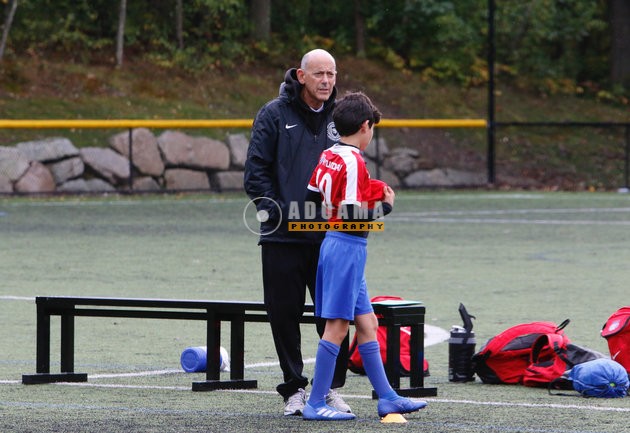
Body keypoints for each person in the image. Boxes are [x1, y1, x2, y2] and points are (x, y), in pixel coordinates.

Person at [302, 91, 428, 421]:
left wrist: (365, 191)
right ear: (365, 126)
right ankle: (315, 402)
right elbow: (351, 214)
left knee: (368, 323)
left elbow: (312, 197)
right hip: (346, 247)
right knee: (337, 327)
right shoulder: (353, 160)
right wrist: (385, 207)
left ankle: (387, 397)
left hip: (338, 245)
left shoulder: (330, 153)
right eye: (372, 128)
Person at [244, 49, 351, 416]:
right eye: (319, 74)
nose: (327, 81)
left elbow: (353, 169)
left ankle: (331, 389)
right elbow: (255, 174)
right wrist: (281, 214)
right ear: (302, 76)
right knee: (284, 315)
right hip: (282, 237)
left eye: (332, 74)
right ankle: (293, 389)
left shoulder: (342, 116)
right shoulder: (273, 114)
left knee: (334, 314)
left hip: (330, 238)